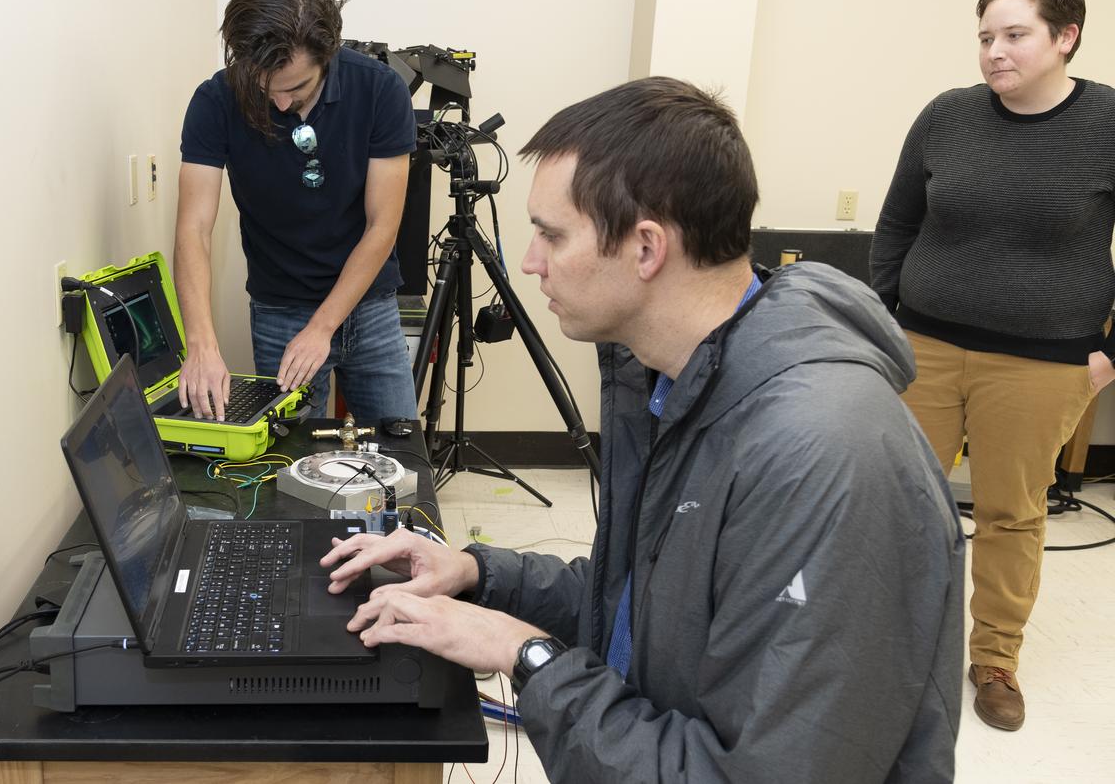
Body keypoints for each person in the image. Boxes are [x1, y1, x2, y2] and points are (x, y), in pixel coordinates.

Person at [321, 77, 964, 782]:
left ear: (647, 248)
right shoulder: (674, 379)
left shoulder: (824, 456)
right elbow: (649, 603)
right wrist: (479, 573)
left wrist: (527, 653)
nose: (529, 262)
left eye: (551, 234)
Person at [871, 0, 1115, 732]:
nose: (994, 52)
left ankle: (995, 658)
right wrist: (885, 317)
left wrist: (1113, 354)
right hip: (927, 345)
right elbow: (896, 223)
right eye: (985, 37)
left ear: (1065, 37)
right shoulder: (947, 116)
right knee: (899, 504)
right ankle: (882, 648)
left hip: (1044, 361)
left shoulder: (1107, 124)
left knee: (1013, 513)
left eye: (1014, 35)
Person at [174, 0, 418, 424]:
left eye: (296, 89)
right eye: (265, 89)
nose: (280, 104)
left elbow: (382, 225)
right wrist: (201, 343)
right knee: (289, 465)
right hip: (279, 310)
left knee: (398, 455)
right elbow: (194, 228)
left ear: (328, 58)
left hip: (370, 305)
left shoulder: (380, 90)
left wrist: (323, 327)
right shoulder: (214, 101)